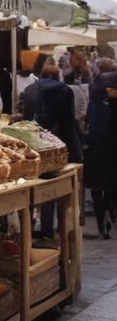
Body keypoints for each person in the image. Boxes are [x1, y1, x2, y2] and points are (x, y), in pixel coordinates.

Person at [35, 62, 84, 242]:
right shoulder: (64, 91)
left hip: (40, 145)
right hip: (63, 144)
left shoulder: (34, 89)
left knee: (46, 188)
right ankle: (68, 230)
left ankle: (46, 230)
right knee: (67, 189)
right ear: (57, 76)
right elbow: (68, 120)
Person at [85, 59, 117, 238]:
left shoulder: (96, 94)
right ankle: (108, 215)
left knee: (98, 188)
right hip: (109, 144)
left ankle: (102, 223)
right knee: (110, 187)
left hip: (96, 142)